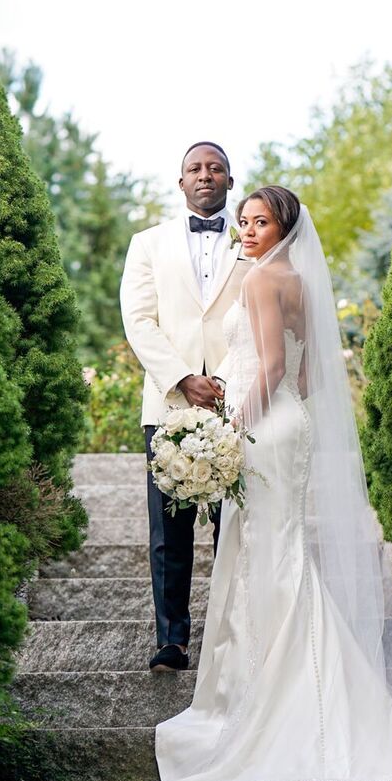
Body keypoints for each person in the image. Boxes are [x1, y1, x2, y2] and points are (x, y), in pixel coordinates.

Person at [154, 185, 392, 781]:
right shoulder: (297, 281)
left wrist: (232, 430)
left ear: (284, 227)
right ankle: (299, 686)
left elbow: (270, 368)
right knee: (276, 552)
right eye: (243, 222)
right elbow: (303, 374)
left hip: (262, 428)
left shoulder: (260, 281)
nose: (247, 232)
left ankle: (276, 691)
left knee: (268, 558)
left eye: (260, 222)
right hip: (286, 423)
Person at [119, 142, 251, 672]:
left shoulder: (254, 240)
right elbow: (139, 320)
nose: (205, 175)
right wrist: (180, 378)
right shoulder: (146, 244)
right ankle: (171, 641)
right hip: (167, 404)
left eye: (215, 168)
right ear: (180, 183)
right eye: (195, 169)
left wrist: (223, 381)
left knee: (233, 525)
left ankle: (231, 639)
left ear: (230, 180)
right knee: (167, 533)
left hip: (235, 402)